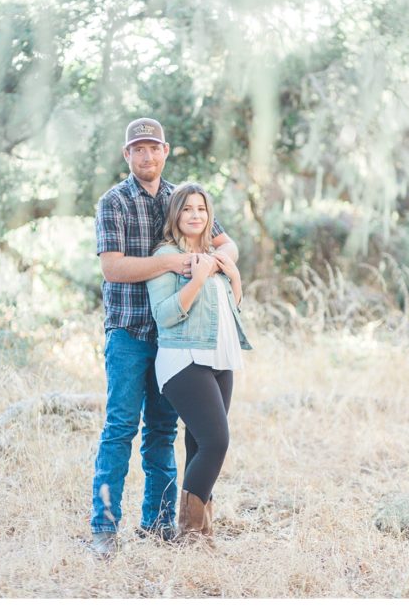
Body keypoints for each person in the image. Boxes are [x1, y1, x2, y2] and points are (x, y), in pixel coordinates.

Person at [90, 118, 238, 556]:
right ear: (127, 155)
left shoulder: (180, 199)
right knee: (119, 429)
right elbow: (112, 267)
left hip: (175, 338)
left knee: (162, 431)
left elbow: (226, 243)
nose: (146, 156)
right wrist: (174, 263)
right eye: (138, 149)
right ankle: (104, 527)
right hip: (129, 332)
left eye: (153, 148)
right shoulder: (113, 201)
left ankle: (156, 527)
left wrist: (217, 262)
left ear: (165, 151)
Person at [146, 182, 251, 545]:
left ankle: (202, 533)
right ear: (176, 215)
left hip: (221, 357)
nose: (195, 215)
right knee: (216, 442)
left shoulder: (215, 254)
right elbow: (164, 315)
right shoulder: (166, 256)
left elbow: (233, 308)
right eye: (187, 208)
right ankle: (189, 533)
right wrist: (200, 277)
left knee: (198, 443)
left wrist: (232, 275)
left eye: (202, 209)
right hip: (184, 357)